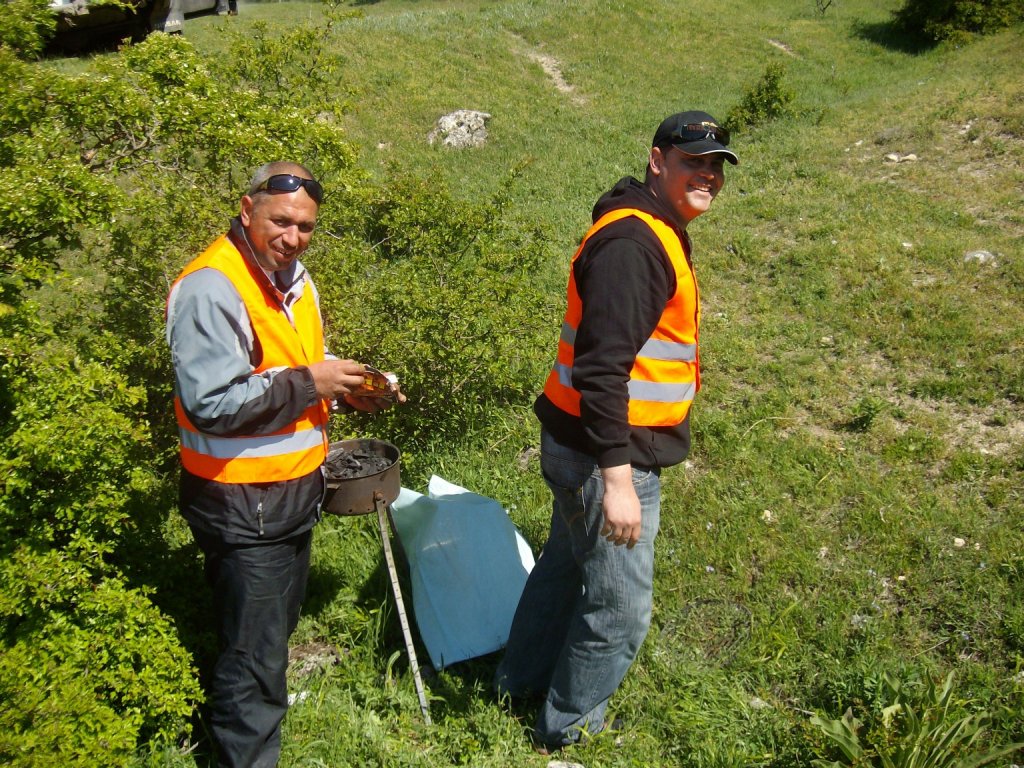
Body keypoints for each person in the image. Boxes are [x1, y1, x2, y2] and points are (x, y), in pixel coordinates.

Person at [494, 111, 738, 753]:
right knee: (620, 608)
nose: (707, 176)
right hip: (604, 454)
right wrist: (619, 480)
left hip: (578, 441)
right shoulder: (635, 243)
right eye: (692, 162)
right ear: (658, 161)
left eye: (715, 166)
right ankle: (567, 733)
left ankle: (515, 687)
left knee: (562, 568)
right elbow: (603, 371)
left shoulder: (649, 226)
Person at [165, 161, 401, 767]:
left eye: (305, 227)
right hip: (242, 503)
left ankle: (249, 721)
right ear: (247, 210)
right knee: (252, 659)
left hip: (289, 497)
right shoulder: (212, 287)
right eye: (280, 221)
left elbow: (289, 363)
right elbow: (212, 404)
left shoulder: (291, 279)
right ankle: (244, 752)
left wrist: (344, 388)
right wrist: (311, 382)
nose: (292, 237)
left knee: (267, 637)